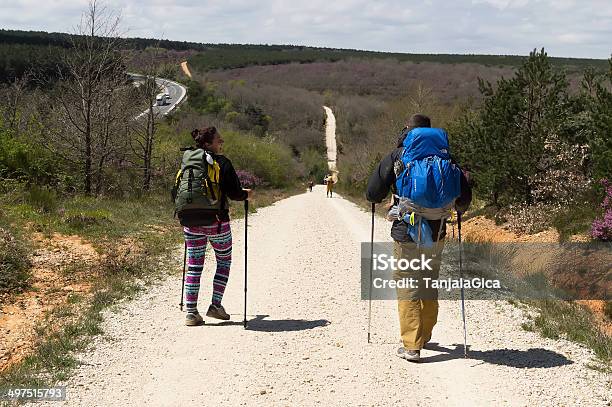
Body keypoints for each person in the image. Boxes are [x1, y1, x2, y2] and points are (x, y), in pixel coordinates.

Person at [366, 114, 472, 362]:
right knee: (428, 281)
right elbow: (464, 200)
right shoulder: (446, 158)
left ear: (408, 132)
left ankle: (412, 345)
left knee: (407, 283)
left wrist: (384, 198)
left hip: (407, 230)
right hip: (437, 231)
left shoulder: (398, 156)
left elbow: (373, 192)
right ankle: (424, 335)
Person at [181, 126, 253, 326]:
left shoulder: (188, 161)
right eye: (218, 141)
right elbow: (235, 193)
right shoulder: (222, 163)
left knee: (194, 266)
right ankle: (215, 305)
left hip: (190, 221)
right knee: (223, 262)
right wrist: (247, 194)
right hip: (217, 222)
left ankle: (191, 313)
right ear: (207, 144)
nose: (221, 143)